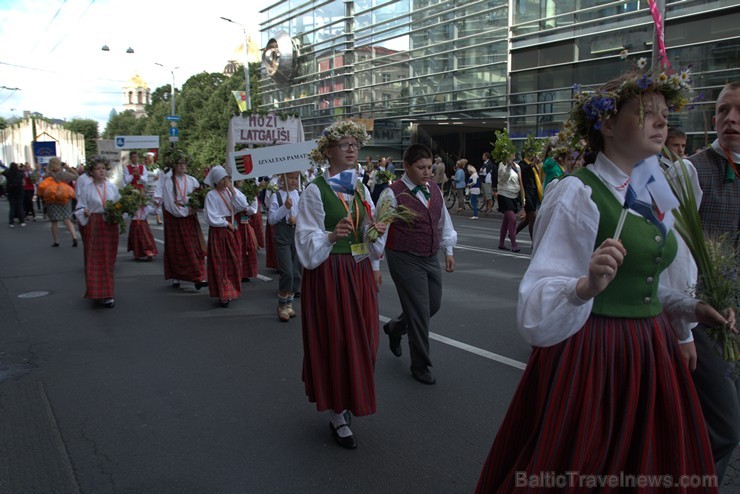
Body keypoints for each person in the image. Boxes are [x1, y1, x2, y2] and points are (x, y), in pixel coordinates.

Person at [476, 68, 731, 492]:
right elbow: (535, 302)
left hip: (651, 351)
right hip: (596, 355)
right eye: (647, 113)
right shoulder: (577, 192)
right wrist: (585, 286)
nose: (662, 122)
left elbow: (653, 274)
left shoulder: (656, 186)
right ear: (608, 124)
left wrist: (688, 309)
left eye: (665, 114)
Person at [296, 120, 386, 450]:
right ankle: (337, 412)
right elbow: (305, 238)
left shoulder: (360, 190)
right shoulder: (315, 190)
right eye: (344, 144)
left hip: (358, 270)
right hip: (329, 272)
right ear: (329, 151)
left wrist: (376, 244)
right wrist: (331, 235)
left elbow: (369, 235)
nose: (351, 149)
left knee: (364, 338)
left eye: (354, 144)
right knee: (337, 339)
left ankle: (348, 397)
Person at [687, 80, 740, 484]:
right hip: (698, 315)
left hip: (733, 316)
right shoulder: (692, 169)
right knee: (724, 426)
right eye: (723, 111)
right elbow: (667, 247)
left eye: (738, 111)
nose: (731, 120)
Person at [378, 143, 457, 385]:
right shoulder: (392, 193)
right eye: (421, 167)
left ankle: (395, 328)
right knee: (420, 312)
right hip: (404, 256)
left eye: (429, 167)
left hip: (430, 255)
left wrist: (449, 250)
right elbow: (379, 231)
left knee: (433, 304)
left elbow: (443, 220)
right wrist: (374, 266)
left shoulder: (434, 188)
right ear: (406, 166)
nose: (427, 172)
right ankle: (420, 364)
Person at [153, 149, 208, 290]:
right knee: (177, 249)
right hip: (176, 218)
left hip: (190, 218)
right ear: (174, 165)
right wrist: (185, 211)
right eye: (179, 163)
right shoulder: (168, 182)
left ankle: (198, 276)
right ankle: (177, 275)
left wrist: (196, 207)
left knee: (194, 247)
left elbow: (199, 198)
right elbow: (170, 203)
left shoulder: (192, 180)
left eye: (184, 163)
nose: (183, 166)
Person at [74, 156, 121, 308]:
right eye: (98, 169)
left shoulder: (112, 187)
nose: (101, 171)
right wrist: (84, 211)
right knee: (95, 259)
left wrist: (119, 211)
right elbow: (80, 207)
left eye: (103, 168)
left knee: (108, 258)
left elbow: (120, 204)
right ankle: (97, 291)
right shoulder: (87, 189)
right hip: (94, 224)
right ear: (91, 172)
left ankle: (108, 293)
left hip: (110, 223)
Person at [203, 166, 248, 308]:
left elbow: (243, 205)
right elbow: (211, 217)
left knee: (234, 260)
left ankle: (232, 289)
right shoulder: (211, 195)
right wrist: (225, 223)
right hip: (220, 231)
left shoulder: (231, 192)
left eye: (226, 178)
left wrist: (233, 190)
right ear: (216, 181)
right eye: (222, 179)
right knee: (221, 262)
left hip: (232, 229)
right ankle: (223, 293)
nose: (225, 181)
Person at [268, 171, 302, 322]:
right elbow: (271, 219)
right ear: (283, 179)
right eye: (291, 178)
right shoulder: (277, 196)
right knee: (287, 271)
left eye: (296, 178)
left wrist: (298, 220)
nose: (294, 181)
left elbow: (307, 214)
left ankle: (289, 304)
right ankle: (281, 305)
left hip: (297, 235)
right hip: (283, 234)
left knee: (296, 272)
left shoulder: (301, 195)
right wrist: (285, 208)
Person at [43, 158, 79, 247]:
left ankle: (56, 241)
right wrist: (68, 168)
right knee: (67, 219)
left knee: (54, 221)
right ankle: (74, 237)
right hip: (64, 198)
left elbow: (43, 185)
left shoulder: (47, 175)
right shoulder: (64, 174)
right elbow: (76, 176)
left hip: (52, 199)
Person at [496, 153, 524, 252]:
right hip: (504, 194)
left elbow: (519, 181)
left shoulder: (517, 167)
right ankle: (514, 244)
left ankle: (501, 243)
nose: (511, 155)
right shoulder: (502, 164)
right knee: (512, 219)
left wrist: (522, 197)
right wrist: (507, 166)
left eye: (512, 154)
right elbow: (504, 178)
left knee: (506, 220)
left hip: (514, 195)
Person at [515, 153, 542, 241]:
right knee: (532, 217)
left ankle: (513, 233)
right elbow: (522, 171)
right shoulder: (522, 163)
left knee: (528, 219)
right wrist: (532, 164)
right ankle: (534, 241)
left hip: (534, 192)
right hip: (526, 193)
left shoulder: (535, 165)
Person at [3, 162, 25, 227]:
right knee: (20, 206)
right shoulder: (20, 173)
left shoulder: (7, 173)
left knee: (12, 207)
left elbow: (3, 172)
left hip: (11, 191)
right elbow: (23, 182)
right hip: (19, 191)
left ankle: (11, 222)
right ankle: (22, 221)